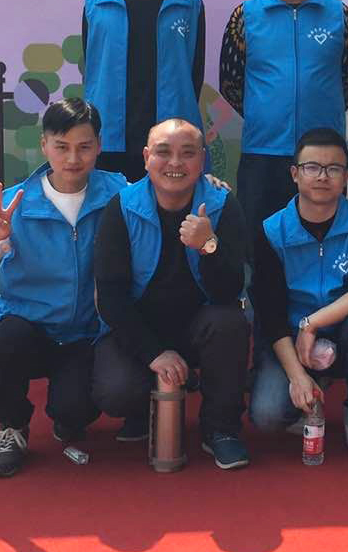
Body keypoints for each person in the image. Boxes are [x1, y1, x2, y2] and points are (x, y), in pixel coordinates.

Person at [0, 99, 127, 477]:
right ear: (44, 145)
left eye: (84, 147)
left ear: (99, 146)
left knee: (75, 413)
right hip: (28, 330)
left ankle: (69, 412)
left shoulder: (120, 193)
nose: (73, 159)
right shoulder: (15, 203)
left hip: (84, 336)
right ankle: (12, 426)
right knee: (4, 343)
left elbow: (165, 193)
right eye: (62, 146)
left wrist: (209, 186)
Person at [91, 119, 252, 469]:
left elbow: (228, 291)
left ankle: (221, 429)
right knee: (116, 391)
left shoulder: (223, 205)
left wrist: (208, 246)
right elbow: (111, 298)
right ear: (146, 157)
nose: (175, 163)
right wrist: (153, 353)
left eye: (188, 153)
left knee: (229, 323)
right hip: (139, 327)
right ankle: (141, 411)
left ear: (202, 159)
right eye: (163, 152)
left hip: (198, 325)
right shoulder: (122, 208)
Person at [219, 0, 348, 255]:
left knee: (324, 246)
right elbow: (231, 82)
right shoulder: (245, 15)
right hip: (263, 153)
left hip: (323, 156)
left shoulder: (340, 15)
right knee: (261, 249)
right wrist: (266, 113)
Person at [249, 128, 348, 465]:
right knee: (267, 416)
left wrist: (312, 324)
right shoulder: (272, 231)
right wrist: (297, 375)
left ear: (346, 177)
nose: (322, 177)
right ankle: (308, 390)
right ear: (295, 174)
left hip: (343, 333)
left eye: (333, 168)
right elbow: (269, 311)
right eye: (312, 167)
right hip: (288, 340)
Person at [82, 0, 205, 182]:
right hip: (109, 135)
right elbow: (92, 66)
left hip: (170, 139)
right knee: (110, 206)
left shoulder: (188, 2)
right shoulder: (97, 2)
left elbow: (194, 71)